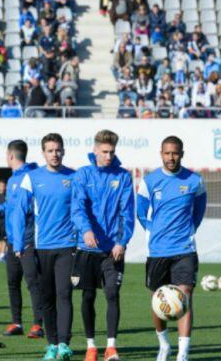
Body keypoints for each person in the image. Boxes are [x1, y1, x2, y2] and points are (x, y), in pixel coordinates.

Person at [136, 136, 206, 361]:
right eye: (167, 153)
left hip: (184, 249)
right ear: (161, 154)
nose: (171, 157)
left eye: (175, 153)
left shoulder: (194, 180)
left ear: (182, 154)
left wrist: (188, 230)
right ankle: (164, 345)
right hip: (157, 251)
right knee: (159, 301)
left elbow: (199, 210)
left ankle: (183, 353)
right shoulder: (149, 181)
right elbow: (140, 212)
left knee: (185, 296)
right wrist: (153, 231)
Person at [10, 133, 76, 361]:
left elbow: (81, 210)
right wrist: (18, 242)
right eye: (50, 150)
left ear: (64, 151)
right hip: (42, 247)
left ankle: (64, 344)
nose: (54, 154)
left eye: (58, 150)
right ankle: (51, 344)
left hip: (67, 247)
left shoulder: (74, 177)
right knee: (47, 298)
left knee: (64, 294)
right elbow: (19, 212)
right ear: (43, 153)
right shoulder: (32, 178)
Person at [70, 130, 135, 361]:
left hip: (112, 251)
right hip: (86, 248)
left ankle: (111, 347)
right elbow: (77, 208)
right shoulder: (82, 175)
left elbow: (127, 213)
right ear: (95, 150)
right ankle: (90, 346)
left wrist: (121, 241)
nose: (108, 156)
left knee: (112, 294)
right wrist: (86, 230)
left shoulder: (124, 176)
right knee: (88, 296)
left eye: (112, 152)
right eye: (105, 152)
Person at [0, 140, 44, 339]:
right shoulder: (12, 180)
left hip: (27, 239)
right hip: (11, 239)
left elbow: (25, 211)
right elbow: (10, 207)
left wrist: (22, 240)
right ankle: (16, 322)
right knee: (12, 282)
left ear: (10, 156)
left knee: (33, 282)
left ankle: (38, 324)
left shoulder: (30, 177)